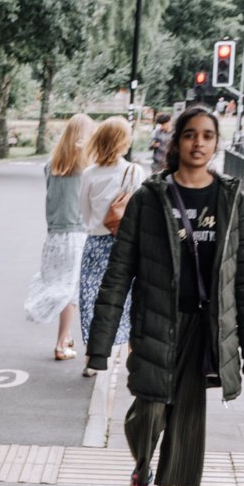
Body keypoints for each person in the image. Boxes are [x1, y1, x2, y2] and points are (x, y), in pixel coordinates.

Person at [88, 105, 244, 486]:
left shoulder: (230, 199)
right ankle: (141, 471)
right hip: (156, 321)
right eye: (190, 134)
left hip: (205, 330)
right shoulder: (150, 198)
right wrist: (100, 342)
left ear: (216, 143)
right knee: (148, 410)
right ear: (176, 141)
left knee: (186, 417)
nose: (198, 143)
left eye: (207, 135)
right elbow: (119, 272)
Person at [77, 116, 146, 373]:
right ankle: (131, 353)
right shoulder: (134, 172)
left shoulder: (89, 174)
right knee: (128, 298)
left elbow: (83, 213)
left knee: (93, 300)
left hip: (95, 244)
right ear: (123, 142)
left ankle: (93, 358)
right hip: (126, 244)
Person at [24, 113, 95, 359]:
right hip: (76, 234)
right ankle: (61, 342)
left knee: (57, 282)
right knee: (69, 290)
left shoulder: (51, 164)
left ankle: (65, 335)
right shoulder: (86, 166)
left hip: (54, 235)